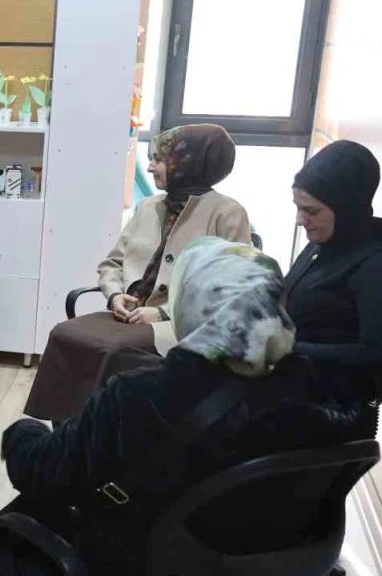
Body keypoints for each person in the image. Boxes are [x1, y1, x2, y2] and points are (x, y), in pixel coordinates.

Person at [0, 238, 368, 576]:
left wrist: (24, 433)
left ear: (190, 305)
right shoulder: (322, 397)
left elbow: (41, 473)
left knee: (20, 522)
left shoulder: (140, 396)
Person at [24, 124, 249, 422]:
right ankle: (67, 434)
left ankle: (100, 435)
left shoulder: (228, 214)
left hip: (182, 326)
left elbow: (233, 290)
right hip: (127, 315)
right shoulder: (147, 207)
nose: (150, 166)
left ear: (189, 163)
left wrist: (164, 313)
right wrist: (115, 295)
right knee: (63, 335)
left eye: (159, 160)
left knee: (114, 353)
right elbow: (112, 264)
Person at [286, 140, 382, 410]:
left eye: (311, 211)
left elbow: (376, 355)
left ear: (347, 208)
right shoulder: (327, 242)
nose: (300, 220)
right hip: (291, 375)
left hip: (325, 398)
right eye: (298, 207)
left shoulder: (378, 266)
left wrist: (288, 348)